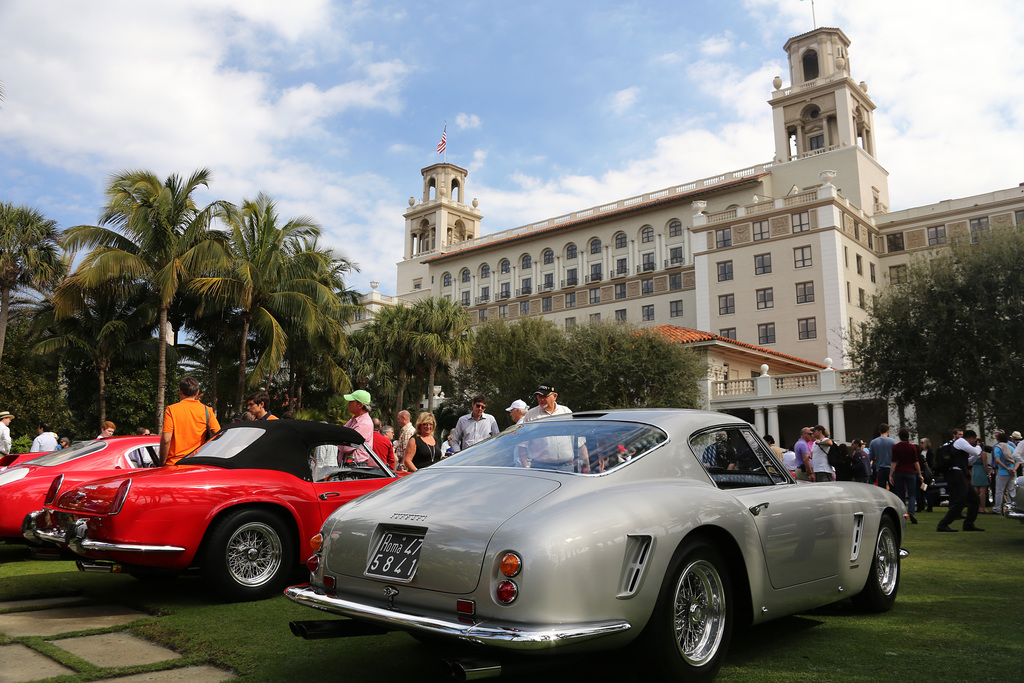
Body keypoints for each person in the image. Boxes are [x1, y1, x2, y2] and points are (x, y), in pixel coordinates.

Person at [522, 383, 587, 472]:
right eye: (539, 397)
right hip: (540, 467)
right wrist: (525, 468)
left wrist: (587, 465)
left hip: (568, 467)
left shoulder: (566, 412)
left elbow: (579, 442)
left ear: (555, 396)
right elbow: (522, 445)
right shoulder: (531, 415)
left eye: (545, 396)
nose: (541, 400)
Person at [160, 376, 221, 466]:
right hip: (197, 463)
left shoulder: (171, 409)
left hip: (174, 464)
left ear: (180, 391)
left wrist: (161, 462)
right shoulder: (207, 410)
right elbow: (219, 435)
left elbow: (166, 440)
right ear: (197, 393)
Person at [937, 429, 985, 532]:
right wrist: (980, 446)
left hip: (959, 473)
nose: (974, 443)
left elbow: (967, 462)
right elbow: (976, 451)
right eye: (974, 441)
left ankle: (968, 524)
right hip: (956, 474)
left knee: (974, 499)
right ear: (971, 438)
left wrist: (978, 454)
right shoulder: (961, 441)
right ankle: (943, 524)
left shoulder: (961, 446)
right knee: (960, 501)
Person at [889, 427, 922, 523]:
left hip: (899, 472)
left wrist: (891, 474)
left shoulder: (895, 447)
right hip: (910, 472)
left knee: (900, 493)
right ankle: (911, 512)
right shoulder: (912, 447)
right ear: (908, 436)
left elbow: (894, 462)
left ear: (899, 436)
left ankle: (902, 514)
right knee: (912, 494)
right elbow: (916, 461)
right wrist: (919, 474)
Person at [341, 390, 373, 465]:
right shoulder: (355, 420)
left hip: (356, 466)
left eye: (351, 401)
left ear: (360, 405)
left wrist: (339, 442)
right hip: (351, 465)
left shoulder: (364, 423)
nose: (348, 404)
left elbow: (345, 447)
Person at [991, 431, 1015, 514]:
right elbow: (1016, 459)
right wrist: (1013, 469)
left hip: (1002, 472)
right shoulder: (1011, 447)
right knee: (1011, 491)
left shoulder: (998, 447)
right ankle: (1013, 507)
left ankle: (997, 508)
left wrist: (1006, 468)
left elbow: (997, 460)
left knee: (999, 491)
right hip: (1012, 471)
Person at [869, 423, 896, 488]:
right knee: (893, 489)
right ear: (888, 431)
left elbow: (871, 457)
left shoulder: (873, 442)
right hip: (891, 468)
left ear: (879, 431)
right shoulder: (893, 442)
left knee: (882, 489)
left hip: (880, 468)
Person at [971, 443, 991, 514]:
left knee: (975, 491)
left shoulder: (972, 453)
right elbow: (985, 464)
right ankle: (983, 507)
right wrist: (988, 473)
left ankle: (976, 507)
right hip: (981, 471)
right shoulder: (983, 453)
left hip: (974, 471)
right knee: (982, 491)